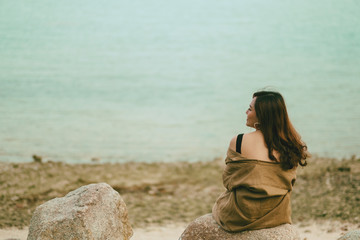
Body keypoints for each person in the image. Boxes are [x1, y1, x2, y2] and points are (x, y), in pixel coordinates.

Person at [212, 90, 308, 232]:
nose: (246, 112)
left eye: (250, 109)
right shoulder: (291, 145)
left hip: (241, 216)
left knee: (220, 202)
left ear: (262, 115)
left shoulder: (239, 141)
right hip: (278, 214)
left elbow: (228, 181)